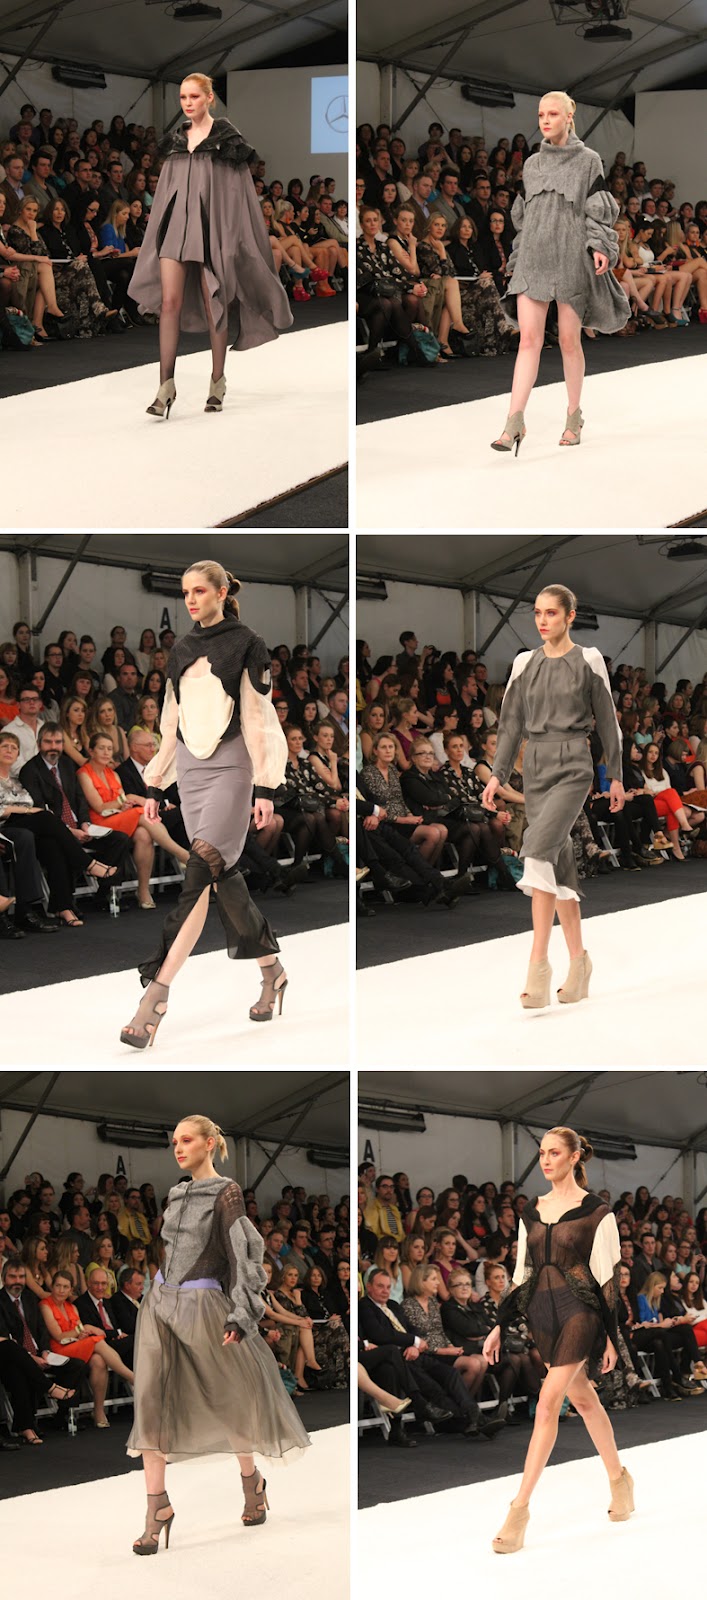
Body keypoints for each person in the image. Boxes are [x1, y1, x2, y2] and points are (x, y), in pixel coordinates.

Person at [119, 559, 286, 1048]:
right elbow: (171, 720)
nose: (190, 600)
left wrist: (265, 786)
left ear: (221, 593)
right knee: (222, 878)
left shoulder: (248, 643)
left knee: (200, 872)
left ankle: (156, 995)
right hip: (190, 770)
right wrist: (155, 783)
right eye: (186, 592)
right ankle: (272, 972)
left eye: (199, 591)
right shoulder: (182, 648)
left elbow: (259, 715)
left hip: (232, 765)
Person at [127, 1114, 309, 1551]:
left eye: (187, 1140)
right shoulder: (176, 1194)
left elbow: (244, 1255)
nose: (178, 1148)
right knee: (149, 1404)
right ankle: (157, 1508)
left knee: (226, 1398)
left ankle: (251, 1482)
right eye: (174, 1141)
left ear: (209, 1143)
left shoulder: (226, 1192)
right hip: (158, 1304)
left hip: (202, 1307)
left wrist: (242, 1315)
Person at [483, 1126, 631, 1554]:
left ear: (574, 1157)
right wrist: (500, 1323)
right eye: (542, 1153)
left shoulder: (597, 1212)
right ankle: (620, 1479)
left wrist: (610, 1336)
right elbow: (522, 1272)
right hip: (542, 1315)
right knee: (583, 1400)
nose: (545, 1160)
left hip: (581, 1313)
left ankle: (519, 1511)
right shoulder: (532, 1210)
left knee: (548, 1403)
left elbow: (607, 1279)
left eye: (554, 1153)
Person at [482, 585, 623, 1008]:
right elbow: (510, 725)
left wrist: (615, 776)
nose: (543, 621)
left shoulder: (588, 659)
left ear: (570, 616)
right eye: (538, 613)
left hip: (574, 763)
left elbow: (608, 721)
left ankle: (538, 967)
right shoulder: (525, 663)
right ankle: (579, 964)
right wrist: (497, 775)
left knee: (538, 853)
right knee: (557, 866)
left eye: (552, 613)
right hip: (535, 766)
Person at [128, 73, 291, 418]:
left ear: (209, 98)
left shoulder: (226, 141)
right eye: (183, 97)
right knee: (169, 303)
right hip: (175, 228)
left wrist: (232, 236)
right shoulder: (175, 142)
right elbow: (164, 194)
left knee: (213, 299)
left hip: (212, 229)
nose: (188, 103)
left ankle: (217, 381)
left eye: (194, 97)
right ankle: (165, 386)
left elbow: (238, 195)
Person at [491, 93, 630, 453]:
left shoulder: (588, 161)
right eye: (541, 114)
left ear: (570, 116)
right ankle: (513, 422)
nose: (545, 120)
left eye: (553, 113)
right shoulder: (532, 164)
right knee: (528, 340)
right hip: (533, 258)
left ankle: (573, 416)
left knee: (569, 341)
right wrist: (516, 258)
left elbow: (597, 209)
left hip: (570, 257)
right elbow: (524, 219)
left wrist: (599, 246)